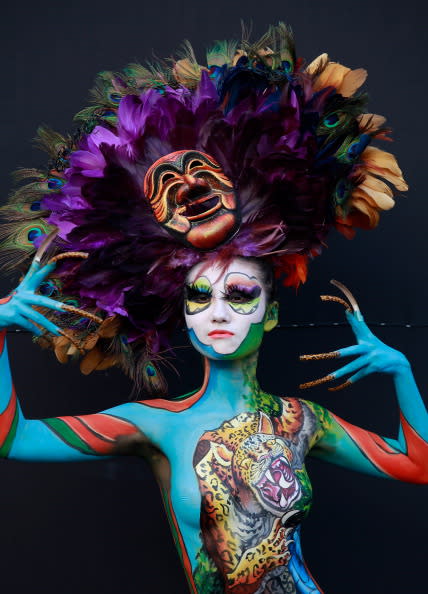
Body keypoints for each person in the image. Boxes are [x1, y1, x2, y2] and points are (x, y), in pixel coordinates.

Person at [0, 23, 426, 593]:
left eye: (242, 294)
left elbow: (419, 467)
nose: (217, 311)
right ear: (183, 313)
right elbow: (13, 440)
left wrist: (401, 371)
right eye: (200, 296)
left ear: (270, 312)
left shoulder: (302, 421)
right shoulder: (153, 424)